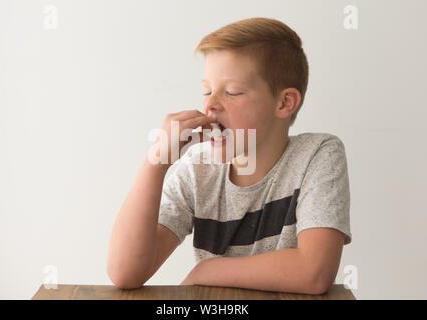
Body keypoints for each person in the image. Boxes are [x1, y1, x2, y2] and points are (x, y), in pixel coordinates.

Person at [107, 17, 352, 295]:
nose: (210, 105)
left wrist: (207, 270)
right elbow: (125, 272)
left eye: (232, 92)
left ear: (284, 103)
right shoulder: (197, 170)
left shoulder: (318, 155)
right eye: (207, 90)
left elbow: (314, 271)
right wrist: (156, 162)